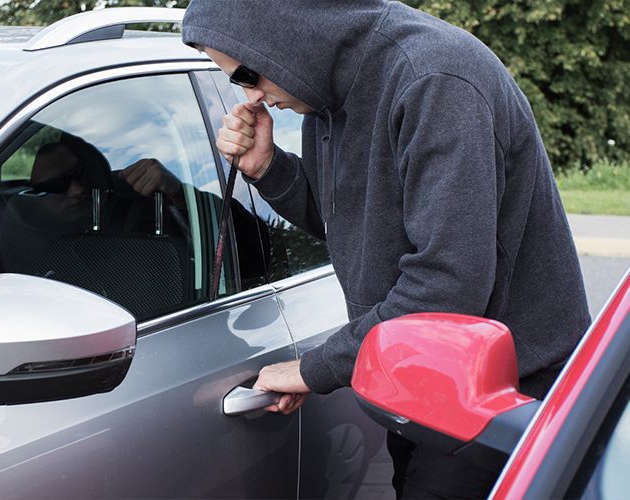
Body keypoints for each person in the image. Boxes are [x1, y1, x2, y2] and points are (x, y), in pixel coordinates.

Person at [181, 1, 591, 498]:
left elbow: (445, 287)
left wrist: (316, 369)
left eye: (248, 72)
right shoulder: (329, 97)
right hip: (422, 375)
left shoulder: (435, 80)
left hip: (501, 392)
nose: (251, 95)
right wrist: (268, 168)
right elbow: (353, 225)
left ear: (284, 31)